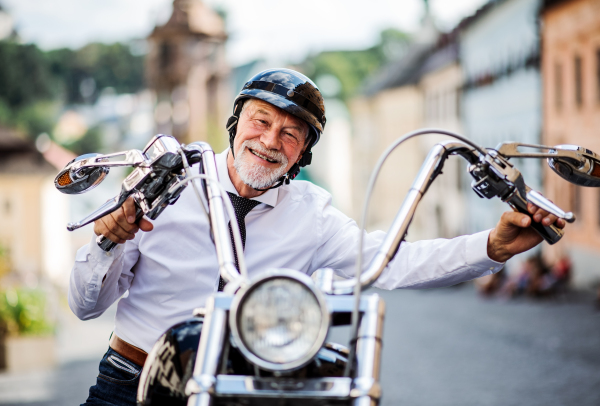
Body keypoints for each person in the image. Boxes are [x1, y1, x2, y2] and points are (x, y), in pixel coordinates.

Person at [68, 68, 565, 406]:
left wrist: (492, 247)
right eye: (261, 121)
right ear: (236, 122)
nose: (269, 141)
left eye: (290, 133)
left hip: (240, 385)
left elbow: (393, 261)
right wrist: (107, 240)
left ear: (303, 153)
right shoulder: (167, 178)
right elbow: (85, 306)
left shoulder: (312, 214)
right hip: (132, 380)